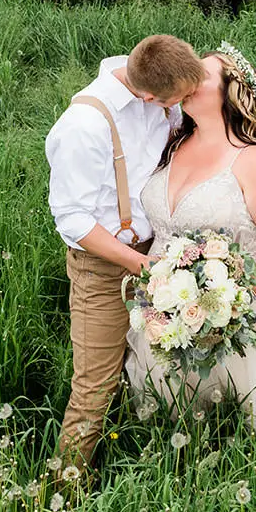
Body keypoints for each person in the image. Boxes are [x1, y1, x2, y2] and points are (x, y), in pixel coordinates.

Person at [125, 43, 256, 431]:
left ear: (229, 91)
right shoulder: (171, 141)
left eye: (203, 73)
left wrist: (235, 300)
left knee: (238, 422)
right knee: (167, 421)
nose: (190, 76)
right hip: (167, 303)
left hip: (234, 308)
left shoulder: (251, 160)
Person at [46, 35, 206, 475]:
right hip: (104, 268)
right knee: (95, 385)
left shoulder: (158, 74)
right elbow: (72, 219)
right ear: (149, 96)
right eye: (180, 101)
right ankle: (59, 495)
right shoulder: (84, 125)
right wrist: (140, 266)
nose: (186, 104)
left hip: (160, 252)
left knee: (157, 364)